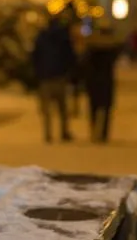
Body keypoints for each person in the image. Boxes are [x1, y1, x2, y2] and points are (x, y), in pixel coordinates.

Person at [31, 14, 76, 143]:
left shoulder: (41, 37)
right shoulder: (63, 38)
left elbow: (35, 57)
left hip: (45, 77)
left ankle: (48, 133)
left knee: (46, 109)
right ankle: (64, 132)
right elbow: (70, 56)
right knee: (62, 107)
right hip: (60, 76)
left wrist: (37, 72)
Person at [83, 21, 123, 143]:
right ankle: (104, 134)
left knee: (93, 108)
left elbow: (85, 62)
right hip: (106, 81)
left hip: (94, 81)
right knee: (106, 108)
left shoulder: (91, 47)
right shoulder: (111, 48)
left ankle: (94, 132)